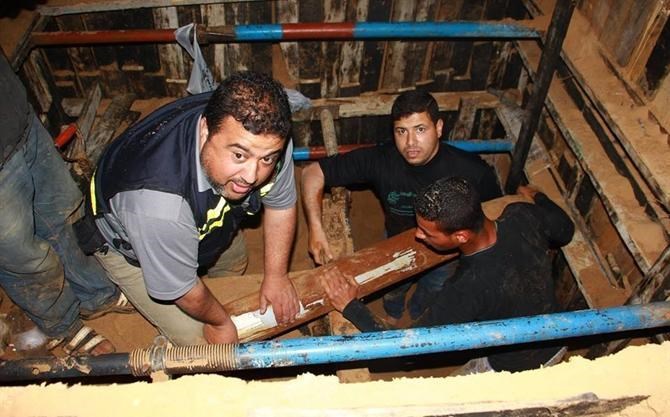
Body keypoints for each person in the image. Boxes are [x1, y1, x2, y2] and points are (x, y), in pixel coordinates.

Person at [89, 71, 300, 346]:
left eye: (267, 159)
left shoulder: (265, 137)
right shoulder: (158, 206)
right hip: (131, 246)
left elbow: (281, 205)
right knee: (203, 343)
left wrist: (277, 276)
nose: (252, 176)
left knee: (234, 260)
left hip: (198, 208)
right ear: (205, 130)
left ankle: (210, 275)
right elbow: (183, 290)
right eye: (239, 155)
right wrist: (219, 322)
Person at [320, 176, 575, 373]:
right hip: (558, 333)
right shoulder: (522, 214)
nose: (418, 235)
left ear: (461, 236)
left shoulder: (467, 288)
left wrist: (351, 306)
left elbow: (406, 348)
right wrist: (539, 196)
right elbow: (565, 229)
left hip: (518, 365)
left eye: (427, 233)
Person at [302, 90, 501, 322]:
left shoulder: (472, 171)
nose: (410, 142)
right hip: (395, 242)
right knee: (393, 288)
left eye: (420, 129)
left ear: (438, 128)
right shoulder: (382, 160)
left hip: (447, 252)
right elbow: (311, 173)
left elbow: (494, 213)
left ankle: (418, 311)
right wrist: (315, 228)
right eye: (401, 131)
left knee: (435, 286)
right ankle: (393, 312)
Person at [0, 51, 131, 356]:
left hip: (18, 119)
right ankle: (63, 324)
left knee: (66, 213)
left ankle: (96, 294)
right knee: (26, 258)